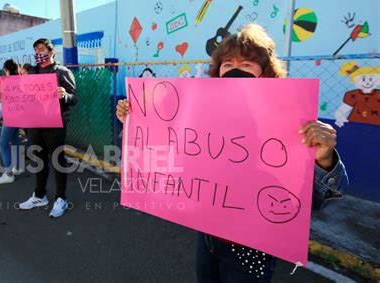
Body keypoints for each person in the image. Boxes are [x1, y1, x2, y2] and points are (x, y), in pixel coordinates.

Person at [116, 23, 348, 282]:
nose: (236, 71)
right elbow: (167, 153)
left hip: (253, 246)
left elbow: (323, 198)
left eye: (247, 65)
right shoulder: (202, 116)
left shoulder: (290, 124)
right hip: (208, 237)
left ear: (266, 73)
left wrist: (324, 157)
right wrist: (138, 123)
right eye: (227, 64)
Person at [19, 38, 77, 218]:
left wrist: (64, 95)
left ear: (51, 52)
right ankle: (39, 195)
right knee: (39, 159)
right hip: (36, 123)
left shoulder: (62, 72)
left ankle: (61, 199)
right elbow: (22, 94)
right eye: (36, 49)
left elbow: (74, 98)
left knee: (58, 160)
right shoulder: (32, 73)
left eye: (42, 49)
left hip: (55, 124)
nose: (38, 52)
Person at [0, 59, 23, 184]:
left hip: (10, 116)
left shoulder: (5, 82)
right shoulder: (22, 80)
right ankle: (17, 167)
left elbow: (1, 100)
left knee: (3, 144)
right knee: (15, 140)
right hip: (20, 115)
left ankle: (9, 173)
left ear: (6, 70)